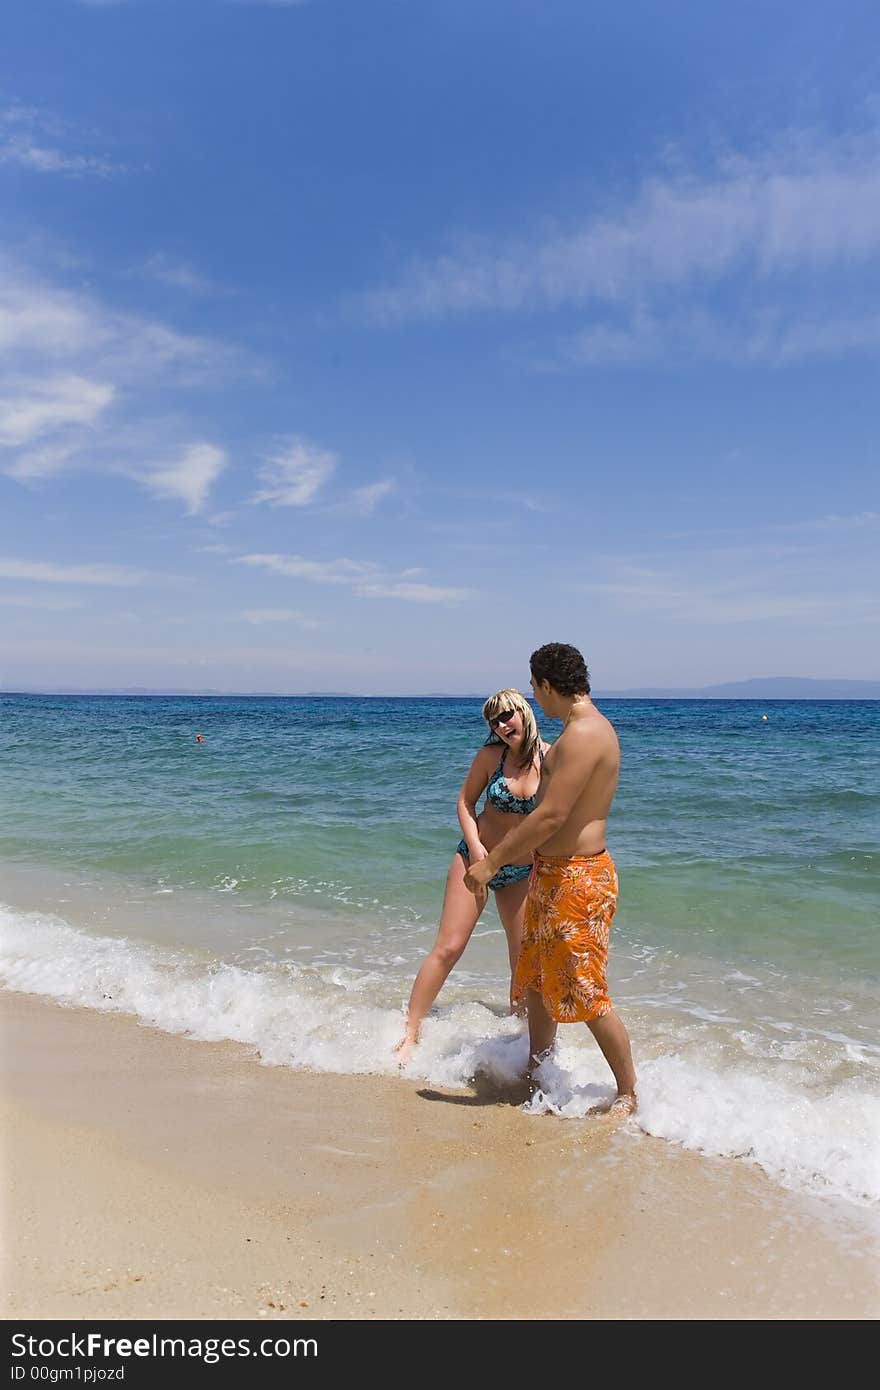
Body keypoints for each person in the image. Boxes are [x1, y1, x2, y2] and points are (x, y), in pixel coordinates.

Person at [464, 643, 636, 1115]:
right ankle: (539, 1070)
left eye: (535, 691)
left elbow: (551, 817)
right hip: (552, 874)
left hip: (579, 879)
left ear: (545, 684)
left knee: (584, 988)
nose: (535, 701)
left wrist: (492, 861)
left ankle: (628, 1093)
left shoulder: (585, 734)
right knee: (537, 978)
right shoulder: (572, 733)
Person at [394, 689, 550, 1063]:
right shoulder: (491, 756)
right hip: (475, 859)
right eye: (494, 720)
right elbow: (465, 802)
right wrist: (477, 848)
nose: (501, 725)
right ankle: (409, 1031)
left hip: (520, 869)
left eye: (507, 715)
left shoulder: (552, 758)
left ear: (524, 712)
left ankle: (518, 1039)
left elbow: (557, 817)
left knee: (522, 958)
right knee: (448, 947)